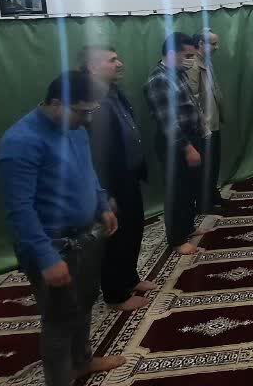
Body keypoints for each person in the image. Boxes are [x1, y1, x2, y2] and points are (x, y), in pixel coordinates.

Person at [0, 71, 125, 386]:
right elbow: (19, 210)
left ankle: (82, 362)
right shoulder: (20, 142)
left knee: (84, 304)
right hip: (53, 247)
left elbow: (88, 172)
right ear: (56, 103)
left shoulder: (75, 129)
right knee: (58, 321)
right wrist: (46, 257)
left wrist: (101, 204)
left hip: (86, 237)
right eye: (81, 111)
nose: (87, 119)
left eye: (91, 111)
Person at [79, 45, 155, 311]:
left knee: (133, 229)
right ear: (92, 67)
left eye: (118, 58)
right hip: (111, 183)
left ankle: (130, 279)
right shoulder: (89, 100)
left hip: (128, 177)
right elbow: (95, 153)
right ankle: (116, 295)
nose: (119, 63)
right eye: (112, 60)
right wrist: (105, 193)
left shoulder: (114, 92)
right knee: (115, 238)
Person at [143, 32, 208, 255]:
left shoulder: (177, 74)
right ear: (171, 54)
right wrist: (187, 147)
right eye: (187, 55)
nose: (191, 59)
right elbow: (168, 121)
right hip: (175, 143)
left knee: (189, 188)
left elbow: (190, 105)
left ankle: (187, 227)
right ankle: (177, 239)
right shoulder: (159, 79)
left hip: (190, 137)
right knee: (177, 191)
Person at [189, 29, 225, 208]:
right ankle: (204, 202)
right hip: (204, 127)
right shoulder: (194, 66)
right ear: (201, 44)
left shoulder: (206, 62)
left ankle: (212, 195)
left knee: (214, 164)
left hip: (213, 123)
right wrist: (202, 125)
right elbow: (193, 99)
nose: (217, 47)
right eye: (213, 44)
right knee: (206, 166)